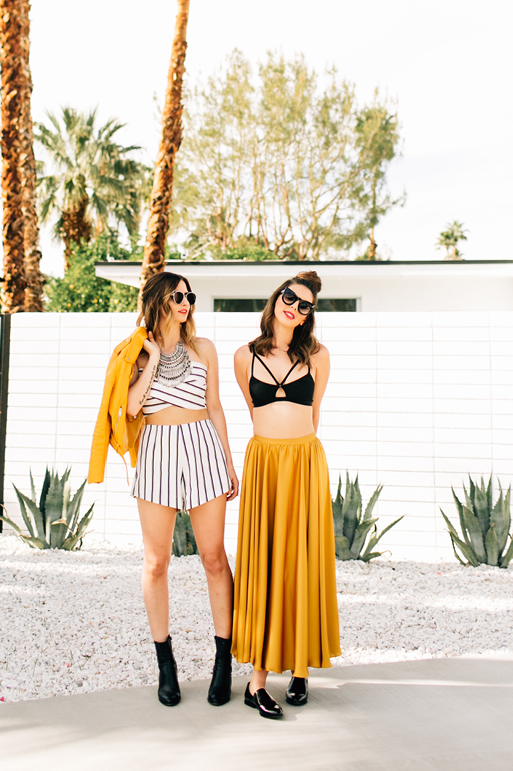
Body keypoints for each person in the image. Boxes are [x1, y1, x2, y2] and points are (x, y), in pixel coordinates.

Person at [127, 270, 239, 707]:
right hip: (155, 455)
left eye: (189, 295)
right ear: (158, 300)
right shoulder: (134, 353)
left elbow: (214, 407)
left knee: (213, 557)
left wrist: (229, 464)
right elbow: (133, 406)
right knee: (156, 563)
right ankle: (166, 665)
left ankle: (222, 662)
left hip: (203, 450)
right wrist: (152, 358)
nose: (186, 301)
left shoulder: (204, 348)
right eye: (177, 295)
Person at [232, 270, 341, 719]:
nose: (293, 308)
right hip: (264, 465)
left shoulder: (318, 355)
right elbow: (253, 409)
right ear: (276, 298)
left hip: (304, 463)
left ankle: (300, 668)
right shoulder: (244, 356)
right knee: (265, 562)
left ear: (309, 315)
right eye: (289, 298)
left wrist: (295, 447)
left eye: (304, 305)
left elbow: (314, 414)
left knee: (302, 560)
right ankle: (256, 682)